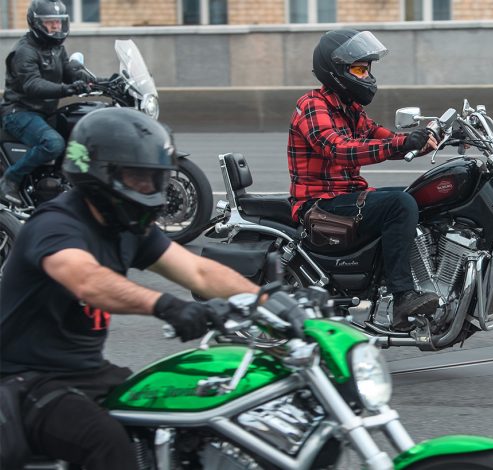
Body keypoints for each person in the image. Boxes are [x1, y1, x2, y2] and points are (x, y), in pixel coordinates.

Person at [0, 108, 261, 469]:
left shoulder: (124, 226)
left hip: (86, 372)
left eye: (155, 178)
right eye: (139, 177)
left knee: (178, 409)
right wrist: (168, 306)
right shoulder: (56, 225)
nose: (150, 189)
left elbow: (199, 271)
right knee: (107, 442)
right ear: (100, 173)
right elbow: (88, 280)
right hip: (26, 379)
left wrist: (266, 300)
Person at [288, 29, 439, 332]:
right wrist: (401, 143)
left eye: (367, 69)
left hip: (347, 197)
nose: (367, 76)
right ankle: (402, 297)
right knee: (399, 204)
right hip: (320, 204)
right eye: (359, 70)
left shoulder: (351, 109)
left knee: (421, 197)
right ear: (336, 70)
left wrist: (429, 139)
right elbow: (339, 148)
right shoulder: (313, 105)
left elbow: (382, 138)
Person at [0, 0, 93, 205]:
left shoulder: (57, 48)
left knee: (82, 135)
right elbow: (32, 84)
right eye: (50, 22)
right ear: (36, 23)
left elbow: (70, 72)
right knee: (53, 143)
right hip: (20, 112)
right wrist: (66, 89)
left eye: (59, 21)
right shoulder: (24, 51)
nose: (56, 26)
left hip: (45, 112)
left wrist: (102, 82)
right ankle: (10, 180)